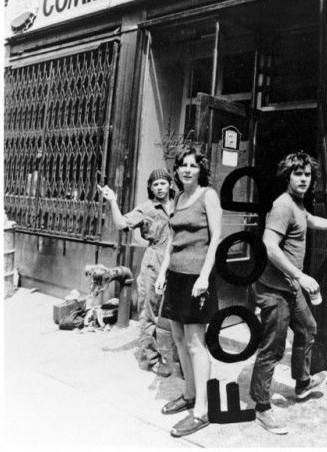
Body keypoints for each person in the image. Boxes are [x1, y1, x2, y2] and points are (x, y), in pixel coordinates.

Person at [250, 151, 327, 435]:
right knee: (272, 349)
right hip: (274, 289)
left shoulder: (298, 205)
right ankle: (261, 408)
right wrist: (300, 275)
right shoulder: (283, 205)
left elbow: (312, 221)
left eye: (308, 175)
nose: (303, 179)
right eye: (298, 174)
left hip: (290, 286)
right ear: (288, 176)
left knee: (308, 328)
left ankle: (302, 383)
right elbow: (269, 246)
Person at [155, 147, 222, 438]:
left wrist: (205, 276)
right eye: (182, 165)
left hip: (198, 279)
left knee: (196, 344)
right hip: (176, 277)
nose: (187, 170)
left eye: (193, 166)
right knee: (179, 339)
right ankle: (190, 394)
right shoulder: (179, 198)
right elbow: (173, 240)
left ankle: (202, 412)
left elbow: (216, 236)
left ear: (200, 170)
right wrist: (162, 272)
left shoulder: (208, 195)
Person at [97, 168, 175, 377]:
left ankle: (181, 358)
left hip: (177, 262)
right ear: (150, 187)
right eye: (155, 184)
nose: (160, 187)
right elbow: (122, 224)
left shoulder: (180, 204)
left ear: (170, 184)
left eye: (163, 183)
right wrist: (112, 200)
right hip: (154, 261)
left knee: (179, 312)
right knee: (149, 312)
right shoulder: (147, 208)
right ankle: (150, 359)